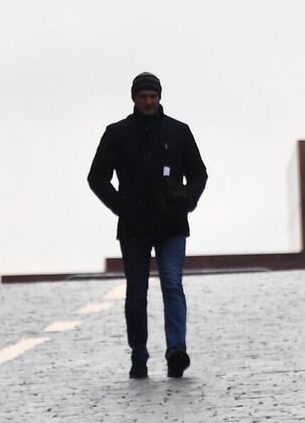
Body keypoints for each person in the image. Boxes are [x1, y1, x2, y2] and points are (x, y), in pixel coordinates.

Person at [88, 71, 208, 379]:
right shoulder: (117, 133)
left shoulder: (179, 132)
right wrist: (122, 208)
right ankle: (139, 355)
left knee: (171, 285)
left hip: (171, 224)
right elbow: (96, 177)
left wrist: (188, 199)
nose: (148, 101)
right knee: (137, 292)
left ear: (160, 97)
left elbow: (199, 173)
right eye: (143, 96)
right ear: (134, 98)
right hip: (134, 227)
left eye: (153, 96)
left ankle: (176, 351)